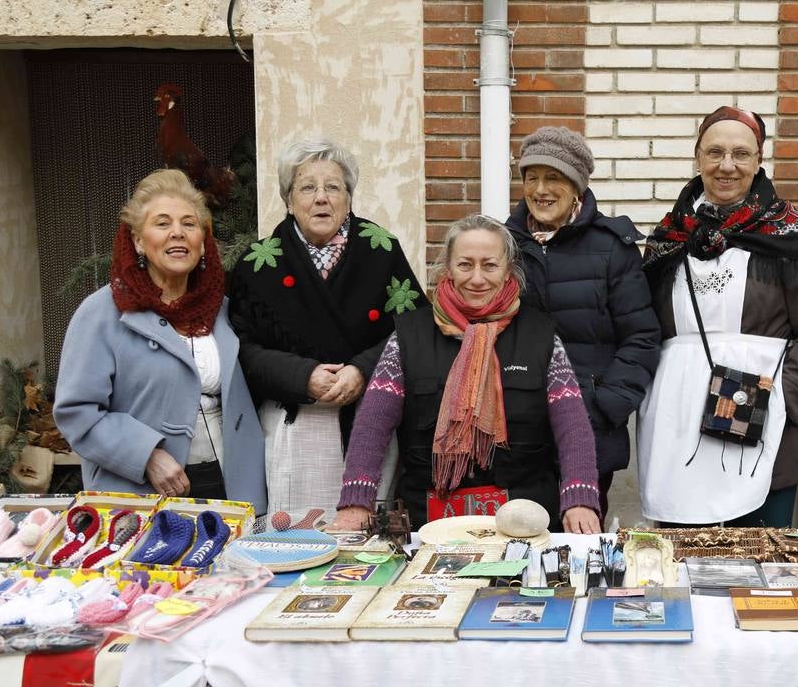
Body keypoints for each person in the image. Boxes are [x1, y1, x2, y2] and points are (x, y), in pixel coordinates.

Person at [636, 106, 798, 528]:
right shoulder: (668, 238)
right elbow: (642, 329)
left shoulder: (785, 236)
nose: (726, 165)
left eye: (740, 154)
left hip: (759, 418)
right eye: (714, 152)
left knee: (758, 569)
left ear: (759, 160)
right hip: (676, 427)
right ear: (697, 158)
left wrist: (782, 395)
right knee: (684, 560)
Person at [333, 214, 602, 534]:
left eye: (489, 265)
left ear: (508, 270)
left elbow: (572, 426)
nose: (477, 278)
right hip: (429, 527)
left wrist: (580, 497)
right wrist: (356, 501)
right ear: (448, 268)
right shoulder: (408, 337)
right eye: (465, 265)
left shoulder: (541, 336)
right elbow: (372, 426)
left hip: (526, 524)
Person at [228, 138, 425, 522]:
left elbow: (413, 329)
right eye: (307, 187)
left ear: (349, 197)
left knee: (363, 540)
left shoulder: (381, 250)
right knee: (295, 535)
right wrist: (304, 376)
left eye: (333, 187)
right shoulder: (258, 264)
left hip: (367, 419)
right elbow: (242, 348)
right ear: (288, 200)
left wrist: (363, 370)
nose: (321, 198)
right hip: (293, 423)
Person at [54, 169, 267, 509]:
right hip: (142, 490)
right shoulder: (102, 313)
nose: (177, 234)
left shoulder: (224, 310)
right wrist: (147, 455)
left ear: (202, 240)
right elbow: (76, 412)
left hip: (230, 486)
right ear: (138, 240)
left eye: (189, 224)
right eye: (163, 223)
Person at [504, 126, 661, 518]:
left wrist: (602, 405)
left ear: (576, 186)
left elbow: (642, 337)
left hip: (589, 430)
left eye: (553, 177)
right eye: (531, 177)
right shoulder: (503, 245)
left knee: (580, 550)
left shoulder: (611, 249)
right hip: (516, 433)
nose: (540, 189)